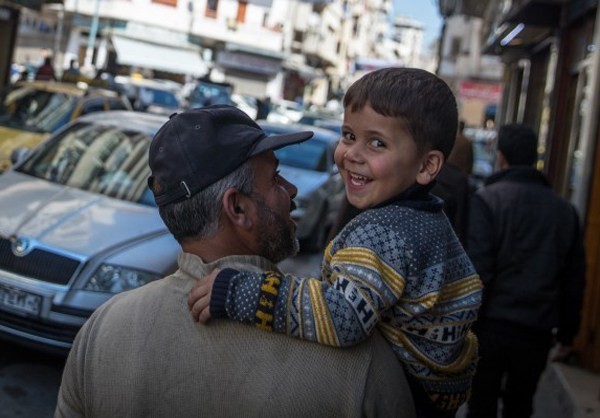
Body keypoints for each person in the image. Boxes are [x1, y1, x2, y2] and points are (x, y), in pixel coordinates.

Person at [55, 105, 417, 418]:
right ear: (238, 209)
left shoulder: (103, 331)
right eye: (275, 178)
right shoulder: (359, 361)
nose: (290, 190)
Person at [189, 68, 483, 417]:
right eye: (348, 135)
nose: (351, 154)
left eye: (377, 142)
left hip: (407, 395)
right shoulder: (426, 218)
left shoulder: (383, 232)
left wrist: (243, 292)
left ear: (426, 166)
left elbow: (344, 317)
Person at [465, 124, 586, 418]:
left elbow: (480, 270)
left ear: (502, 157)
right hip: (536, 329)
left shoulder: (488, 200)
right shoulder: (563, 210)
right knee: (521, 405)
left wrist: (467, 323)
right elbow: (574, 278)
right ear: (534, 159)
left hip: (491, 326)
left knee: (481, 403)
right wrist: (568, 333)